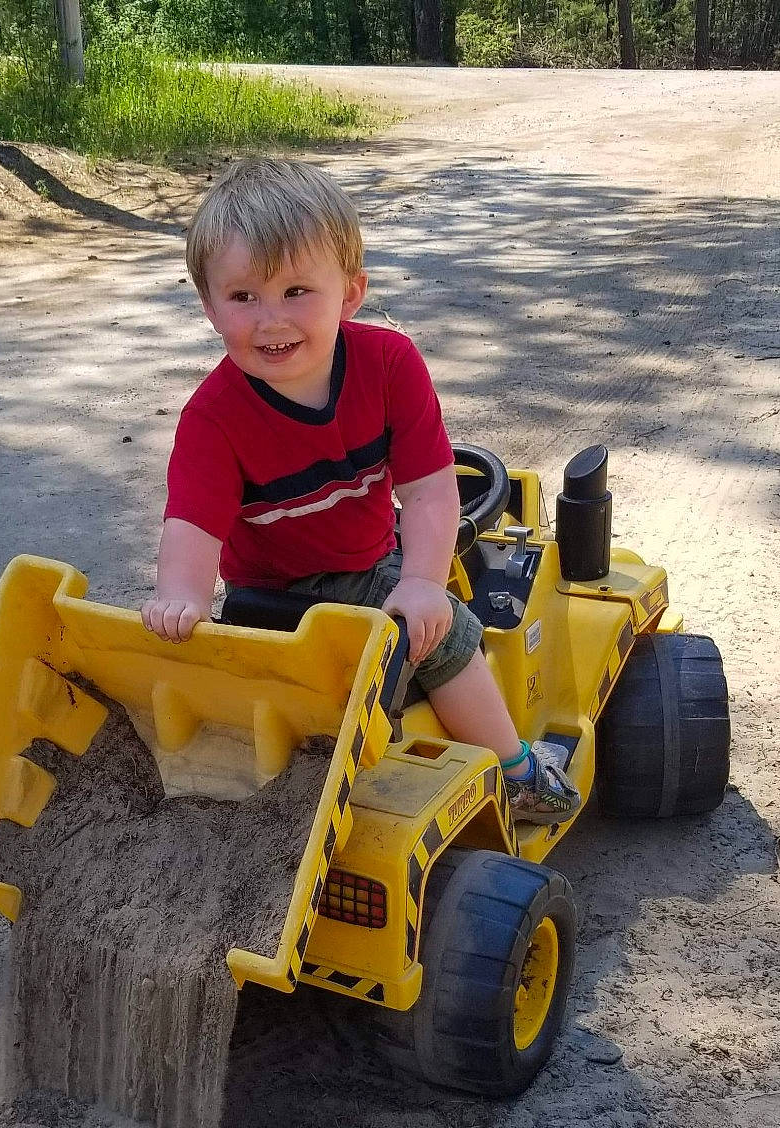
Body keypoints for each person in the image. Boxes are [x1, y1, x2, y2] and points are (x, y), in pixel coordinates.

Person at [140, 157, 580, 824]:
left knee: (448, 630)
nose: (271, 320)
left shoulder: (388, 365)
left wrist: (426, 582)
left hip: (369, 573)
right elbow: (193, 528)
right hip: (268, 602)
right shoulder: (213, 417)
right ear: (209, 307)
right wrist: (182, 596)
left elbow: (432, 493)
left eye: (296, 292)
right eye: (243, 297)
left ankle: (514, 771)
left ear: (350, 291)